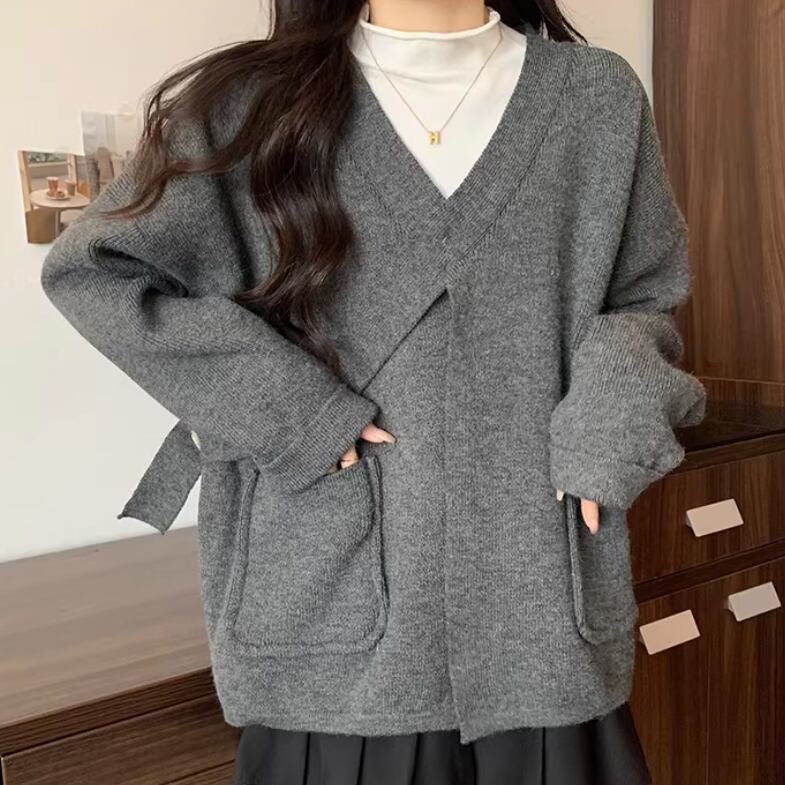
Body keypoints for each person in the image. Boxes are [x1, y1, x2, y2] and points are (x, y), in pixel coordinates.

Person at [40, 1, 707, 783]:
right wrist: (295, 415)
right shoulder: (251, 103)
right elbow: (96, 272)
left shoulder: (596, 98)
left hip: (541, 622)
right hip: (330, 635)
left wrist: (607, 428)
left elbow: (642, 296)